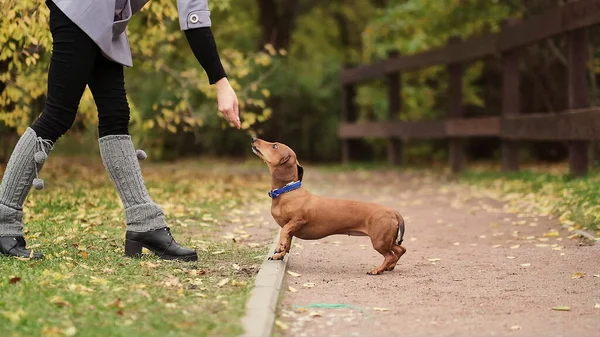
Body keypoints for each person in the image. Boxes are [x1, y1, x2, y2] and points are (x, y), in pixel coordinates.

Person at [0, 0, 241, 261]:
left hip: (108, 20)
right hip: (81, 10)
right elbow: (194, 17)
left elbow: (194, 13)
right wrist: (220, 81)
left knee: (116, 117)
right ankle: (3, 220)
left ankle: (144, 224)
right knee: (58, 115)